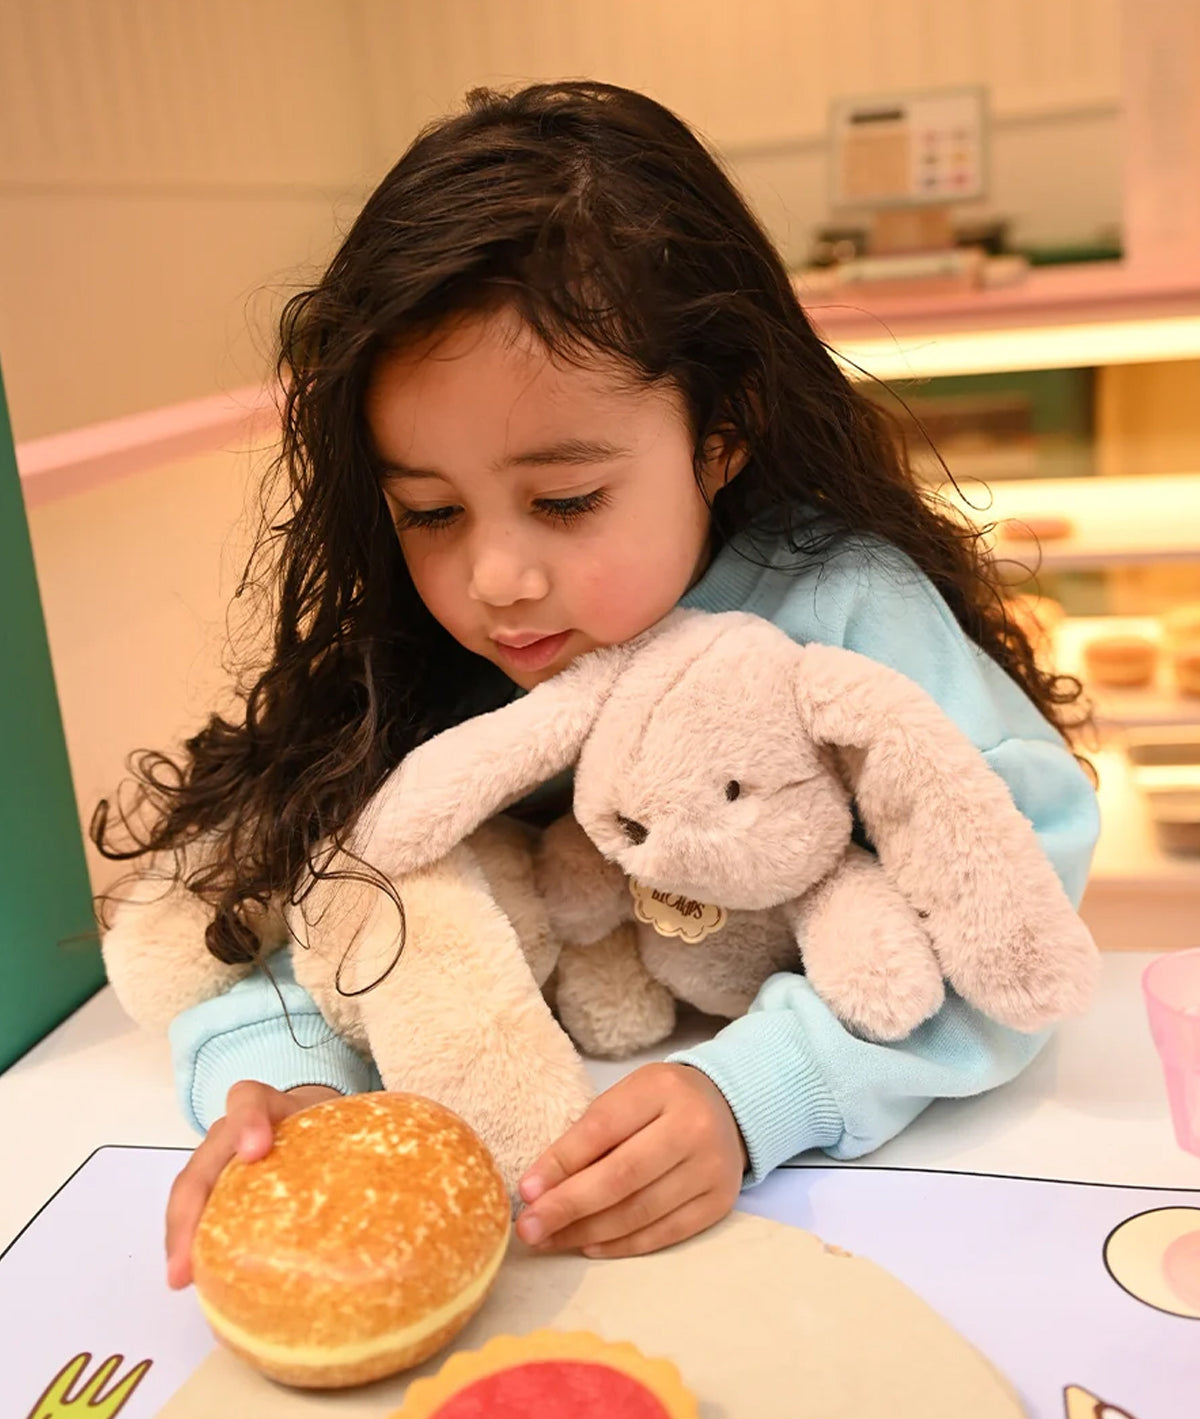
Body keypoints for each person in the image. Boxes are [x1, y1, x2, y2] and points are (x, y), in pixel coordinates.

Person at [93, 81, 1098, 1290]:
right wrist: (285, 1077)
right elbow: (279, 912)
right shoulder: (410, 655)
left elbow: (1017, 896)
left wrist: (768, 1092)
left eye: (567, 500)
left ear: (719, 432)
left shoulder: (842, 610)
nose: (497, 578)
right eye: (428, 511)